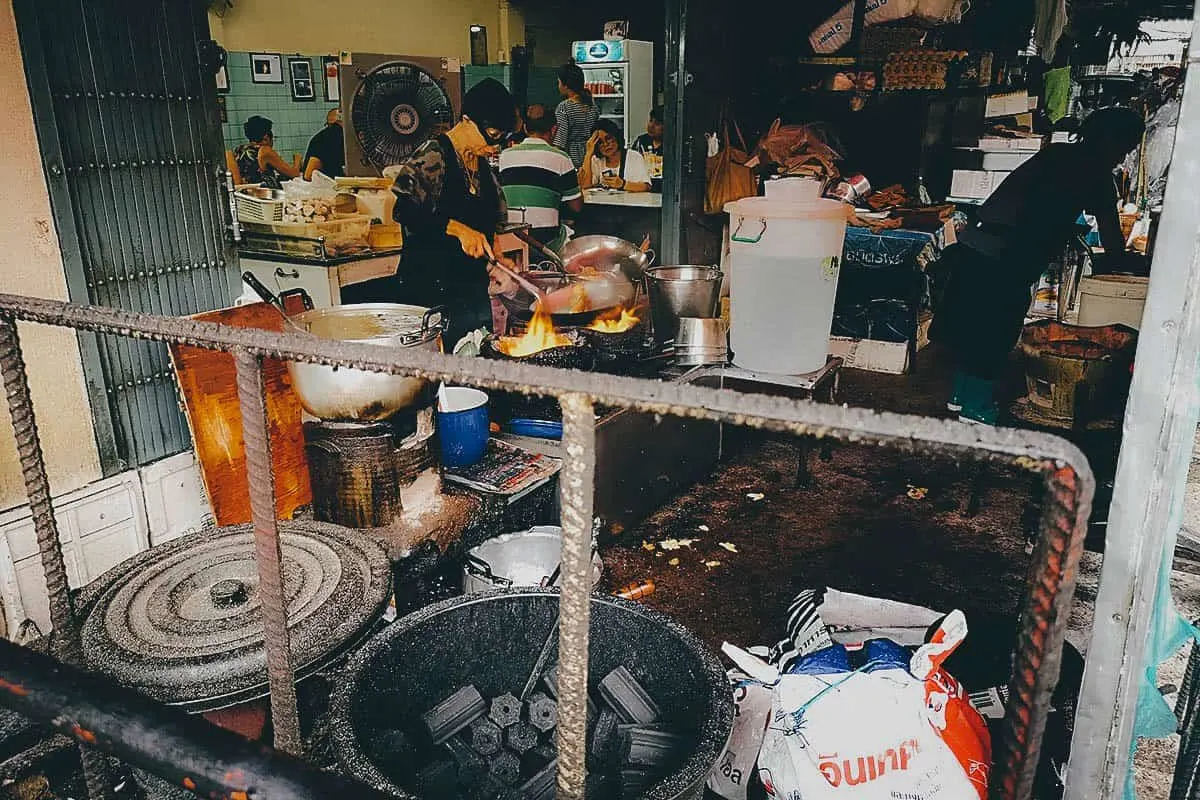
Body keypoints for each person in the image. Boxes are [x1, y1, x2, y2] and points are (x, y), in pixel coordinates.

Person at [931, 106, 1145, 424]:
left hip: (977, 243)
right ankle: (977, 409)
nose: (1121, 156)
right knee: (995, 331)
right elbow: (1111, 239)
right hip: (1007, 254)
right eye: (1123, 148)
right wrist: (1124, 264)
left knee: (973, 325)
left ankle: (960, 398)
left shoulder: (1057, 153)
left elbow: (1037, 200)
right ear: (1109, 141)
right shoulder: (1095, 171)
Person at [349, 78, 519, 349]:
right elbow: (404, 210)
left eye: (502, 139)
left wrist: (497, 259)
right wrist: (457, 228)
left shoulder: (482, 165)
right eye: (492, 135)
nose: (495, 146)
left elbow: (491, 222)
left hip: (470, 292)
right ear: (466, 120)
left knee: (474, 362)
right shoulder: (434, 155)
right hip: (430, 290)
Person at [499, 104, 583, 250]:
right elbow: (576, 207)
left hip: (512, 236)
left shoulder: (505, 155)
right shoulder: (561, 157)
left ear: (525, 128)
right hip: (544, 241)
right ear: (554, 130)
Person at [578, 119, 652, 193]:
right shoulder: (596, 160)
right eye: (600, 142)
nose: (606, 145)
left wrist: (623, 184)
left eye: (608, 138)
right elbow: (585, 185)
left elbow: (646, 187)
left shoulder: (634, 156)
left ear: (616, 136)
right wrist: (588, 153)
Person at [553, 63, 600, 169]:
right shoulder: (592, 105)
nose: (558, 85)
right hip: (591, 154)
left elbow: (561, 139)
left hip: (572, 157)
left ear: (566, 85)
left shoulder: (564, 107)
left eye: (559, 82)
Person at [234, 115, 301, 188]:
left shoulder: (240, 149)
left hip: (248, 193)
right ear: (266, 138)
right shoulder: (265, 151)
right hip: (264, 194)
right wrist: (297, 159)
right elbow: (294, 174)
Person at [303, 108, 345, 180]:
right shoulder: (333, 135)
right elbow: (309, 173)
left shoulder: (320, 137)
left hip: (328, 186)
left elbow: (308, 175)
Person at [631, 106, 665, 192]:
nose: (651, 126)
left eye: (657, 124)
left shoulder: (670, 145)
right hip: (640, 187)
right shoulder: (641, 141)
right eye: (650, 121)